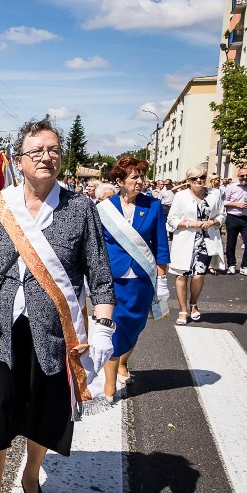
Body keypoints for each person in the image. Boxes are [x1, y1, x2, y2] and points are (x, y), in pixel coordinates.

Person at [0, 117, 115, 493]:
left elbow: (99, 275)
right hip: (0, 330)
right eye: (37, 151)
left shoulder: (80, 208)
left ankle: (31, 474)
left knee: (42, 411)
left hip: (54, 332)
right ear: (19, 160)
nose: (46, 157)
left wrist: (102, 328)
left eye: (53, 150)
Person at [96, 157, 169, 402]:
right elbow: (97, 245)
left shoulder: (153, 206)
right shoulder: (105, 208)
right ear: (120, 181)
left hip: (142, 277)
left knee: (135, 326)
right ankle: (109, 382)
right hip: (113, 278)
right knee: (113, 328)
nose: (140, 181)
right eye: (134, 177)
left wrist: (162, 277)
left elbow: (160, 244)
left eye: (141, 176)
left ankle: (123, 361)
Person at [167, 166, 226, 325]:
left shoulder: (215, 194)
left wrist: (213, 222)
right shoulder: (181, 196)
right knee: (181, 275)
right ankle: (183, 310)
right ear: (188, 181)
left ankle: (193, 303)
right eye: (194, 178)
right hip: (185, 239)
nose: (199, 181)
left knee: (198, 275)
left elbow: (222, 214)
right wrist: (189, 223)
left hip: (206, 241)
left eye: (202, 177)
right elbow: (171, 219)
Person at [222, 167, 247, 276]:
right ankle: (231, 265)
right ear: (238, 176)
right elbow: (224, 201)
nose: (245, 177)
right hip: (233, 217)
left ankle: (245, 266)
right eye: (242, 175)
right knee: (231, 243)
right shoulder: (231, 187)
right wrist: (237, 204)